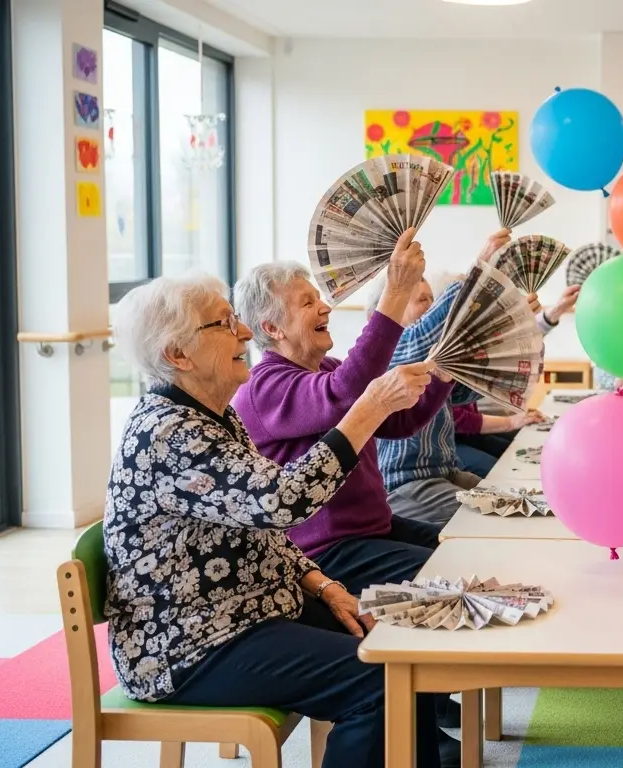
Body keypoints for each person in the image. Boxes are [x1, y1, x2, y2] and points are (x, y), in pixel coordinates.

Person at [105, 273, 454, 768]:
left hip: (248, 609)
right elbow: (284, 503)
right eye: (224, 324)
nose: (245, 333)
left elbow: (263, 527)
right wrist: (367, 408)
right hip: (189, 644)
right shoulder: (168, 434)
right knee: (381, 679)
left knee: (399, 645)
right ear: (177, 356)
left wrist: (322, 584)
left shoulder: (213, 417)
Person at [231, 231, 467, 735]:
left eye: (318, 297)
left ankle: (425, 703)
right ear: (271, 328)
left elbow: (399, 423)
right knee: (443, 579)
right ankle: (418, 718)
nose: (323, 307)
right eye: (306, 302)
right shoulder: (265, 386)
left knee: (462, 550)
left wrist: (445, 370)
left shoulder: (326, 368)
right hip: (329, 551)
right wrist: (394, 294)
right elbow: (344, 396)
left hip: (368, 533)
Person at [375, 230, 533, 524]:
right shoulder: (390, 348)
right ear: (391, 307)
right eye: (422, 300)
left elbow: (468, 392)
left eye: (431, 300)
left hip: (445, 472)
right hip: (408, 484)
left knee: (522, 507)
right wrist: (479, 268)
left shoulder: (426, 352)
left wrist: (518, 329)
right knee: (502, 520)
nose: (430, 308)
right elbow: (426, 332)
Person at [449, 283, 582, 475]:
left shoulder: (482, 339)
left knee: (538, 456)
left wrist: (555, 309)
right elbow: (458, 418)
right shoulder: (454, 346)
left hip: (480, 427)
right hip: (465, 435)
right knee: (513, 470)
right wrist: (512, 421)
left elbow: (518, 340)